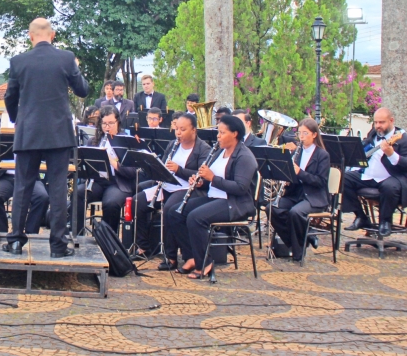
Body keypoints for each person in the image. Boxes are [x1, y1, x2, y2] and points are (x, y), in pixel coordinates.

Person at [3, 18, 89, 257]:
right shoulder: (66, 57)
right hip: (59, 133)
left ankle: (16, 241)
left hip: (28, 132)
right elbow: (83, 90)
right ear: (52, 35)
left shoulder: (19, 61)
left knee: (23, 187)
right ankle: (58, 246)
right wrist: (75, 68)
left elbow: (11, 96)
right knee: (58, 188)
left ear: (30, 37)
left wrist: (17, 119)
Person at [166, 114, 257, 280]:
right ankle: (191, 256)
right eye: (218, 132)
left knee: (196, 217)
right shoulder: (219, 152)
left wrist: (212, 178)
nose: (218, 136)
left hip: (233, 203)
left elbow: (241, 188)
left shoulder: (245, 157)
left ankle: (204, 263)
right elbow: (209, 180)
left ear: (235, 134)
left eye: (222, 133)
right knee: (174, 212)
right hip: (214, 198)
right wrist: (201, 182)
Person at [132, 113, 212, 261]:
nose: (178, 133)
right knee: (137, 201)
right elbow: (163, 165)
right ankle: (144, 247)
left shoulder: (203, 149)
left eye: (183, 129)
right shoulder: (173, 144)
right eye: (176, 129)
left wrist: (179, 170)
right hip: (167, 185)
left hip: (187, 189)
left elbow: (203, 175)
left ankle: (171, 257)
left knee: (169, 209)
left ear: (194, 130)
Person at [69, 106, 137, 236]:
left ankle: (108, 240)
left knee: (110, 203)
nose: (107, 127)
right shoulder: (94, 141)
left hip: (118, 183)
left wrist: (112, 162)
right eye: (104, 123)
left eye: (111, 123)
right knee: (78, 194)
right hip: (98, 181)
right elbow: (85, 165)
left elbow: (132, 172)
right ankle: (76, 234)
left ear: (118, 123)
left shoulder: (127, 142)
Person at [270, 118, 330, 261]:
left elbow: (320, 181)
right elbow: (293, 176)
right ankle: (301, 239)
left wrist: (299, 173)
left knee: (295, 213)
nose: (301, 137)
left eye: (305, 133)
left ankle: (298, 252)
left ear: (314, 135)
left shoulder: (322, 155)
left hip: (314, 196)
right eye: (300, 133)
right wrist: (287, 177)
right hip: (296, 194)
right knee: (271, 209)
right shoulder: (297, 152)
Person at [343, 107, 407, 237]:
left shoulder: (402, 139)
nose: (378, 126)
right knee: (342, 179)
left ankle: (385, 221)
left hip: (391, 177)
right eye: (376, 122)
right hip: (368, 175)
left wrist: (391, 154)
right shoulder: (373, 134)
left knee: (390, 187)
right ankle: (361, 217)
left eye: (382, 122)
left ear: (391, 121)